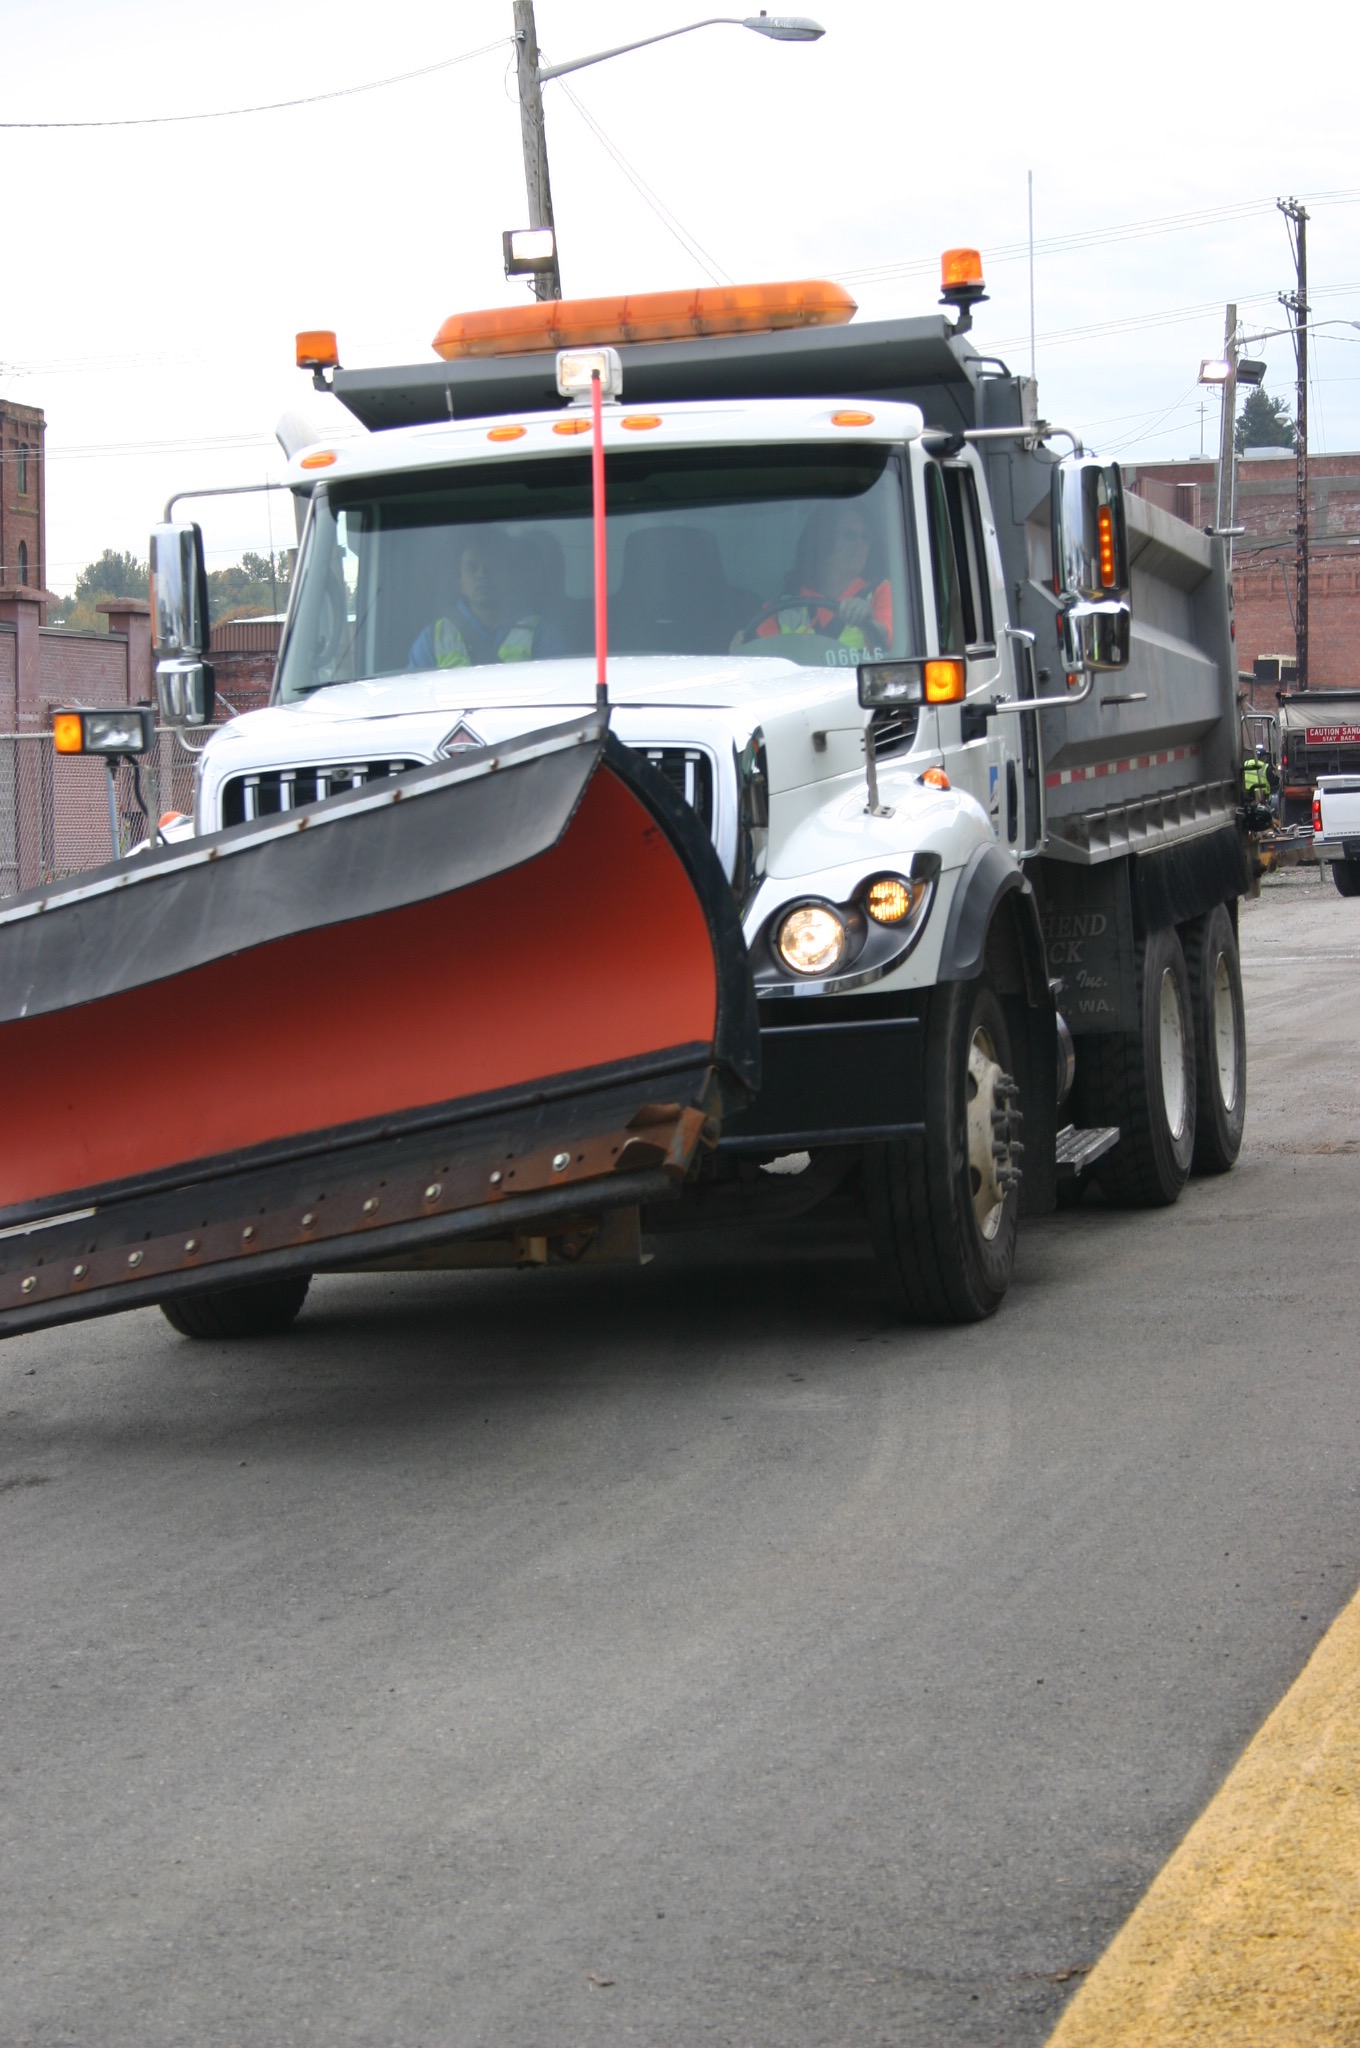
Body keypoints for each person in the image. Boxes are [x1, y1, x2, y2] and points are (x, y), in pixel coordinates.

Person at [739, 503, 893, 653]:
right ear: (824, 541)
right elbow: (761, 659)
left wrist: (868, 623)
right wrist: (741, 648)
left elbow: (889, 643)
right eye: (850, 535)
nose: (860, 544)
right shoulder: (779, 611)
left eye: (866, 537)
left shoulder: (882, 592)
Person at [408, 530, 565, 671]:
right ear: (459, 580)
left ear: (509, 575)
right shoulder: (433, 638)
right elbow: (416, 695)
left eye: (492, 565)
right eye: (472, 567)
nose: (481, 575)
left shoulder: (540, 634)